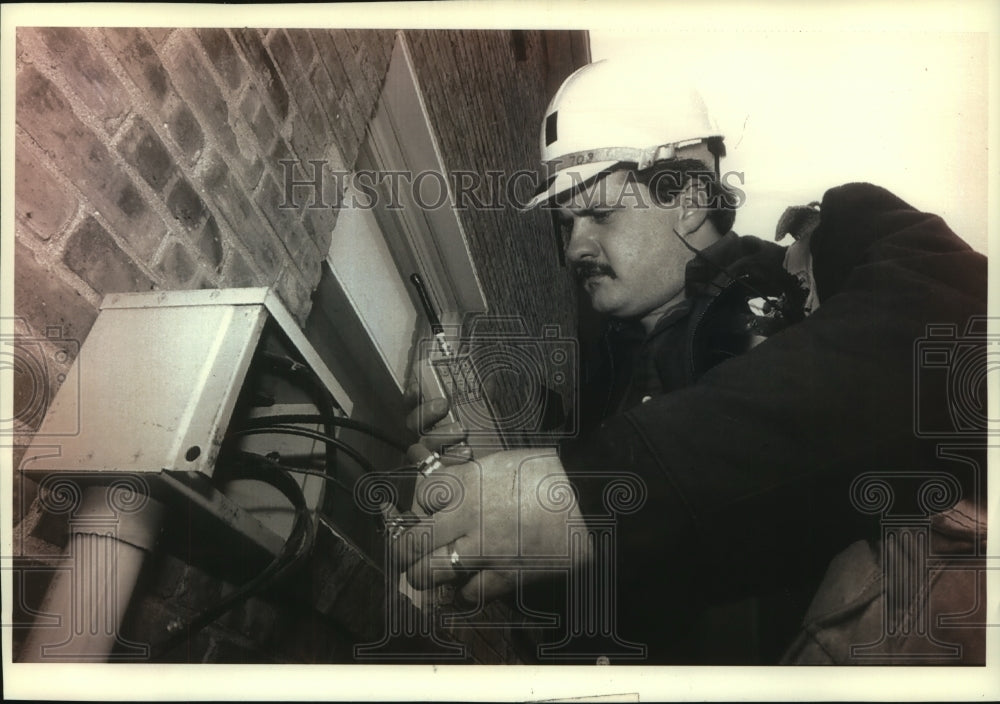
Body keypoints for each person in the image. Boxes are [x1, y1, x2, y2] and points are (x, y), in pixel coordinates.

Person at [393, 59, 988, 664]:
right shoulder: (608, 378)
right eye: (566, 221)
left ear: (689, 197)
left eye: (600, 213)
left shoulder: (815, 271)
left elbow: (956, 322)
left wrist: (581, 491)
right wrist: (499, 492)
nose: (575, 246)